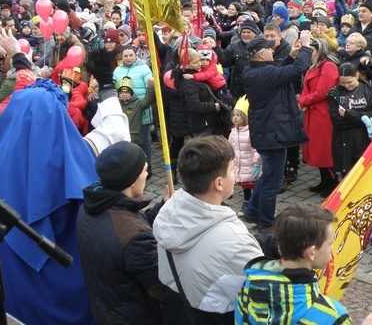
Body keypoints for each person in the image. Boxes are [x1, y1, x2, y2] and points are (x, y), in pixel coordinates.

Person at [0, 36, 100, 324]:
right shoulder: (66, 155)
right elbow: (92, 194)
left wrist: (21, 58)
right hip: (64, 273)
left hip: (17, 279)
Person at [154, 135, 263, 324]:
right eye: (231, 170)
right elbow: (263, 298)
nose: (234, 174)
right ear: (219, 183)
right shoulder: (236, 243)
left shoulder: (169, 213)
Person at [235, 202, 372, 325]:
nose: (332, 248)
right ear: (311, 252)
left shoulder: (249, 286)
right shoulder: (333, 315)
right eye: (330, 244)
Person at [77, 141, 169, 325]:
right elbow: (161, 290)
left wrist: (162, 207)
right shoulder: (135, 238)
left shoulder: (88, 209)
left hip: (107, 310)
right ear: (132, 179)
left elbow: (128, 226)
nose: (147, 175)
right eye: (144, 170)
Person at [240, 32, 312, 233]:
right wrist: (305, 47)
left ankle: (252, 210)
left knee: (268, 174)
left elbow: (278, 72)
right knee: (273, 181)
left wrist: (291, 55)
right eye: (270, 49)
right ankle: (266, 223)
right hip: (273, 134)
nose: (273, 50)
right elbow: (298, 69)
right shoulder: (263, 74)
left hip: (267, 132)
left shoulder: (253, 71)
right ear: (261, 55)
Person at [328, 63, 372, 245]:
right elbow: (336, 121)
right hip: (344, 145)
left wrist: (351, 115)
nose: (346, 86)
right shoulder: (335, 93)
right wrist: (362, 119)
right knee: (346, 184)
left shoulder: (371, 92)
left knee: (366, 189)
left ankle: (370, 228)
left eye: (350, 83)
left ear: (357, 77)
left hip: (365, 145)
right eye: (343, 83)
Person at [298, 38, 340, 198]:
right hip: (313, 112)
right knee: (316, 148)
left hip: (323, 113)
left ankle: (332, 182)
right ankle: (324, 181)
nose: (310, 54)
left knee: (324, 150)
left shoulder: (328, 66)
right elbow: (306, 88)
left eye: (312, 50)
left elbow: (323, 91)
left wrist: (303, 101)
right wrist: (304, 99)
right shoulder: (315, 66)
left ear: (320, 50)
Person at [229, 106, 261, 214]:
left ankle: (255, 204)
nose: (235, 118)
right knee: (245, 186)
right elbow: (230, 147)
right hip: (240, 165)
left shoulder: (250, 132)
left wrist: (257, 164)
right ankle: (246, 202)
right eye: (233, 115)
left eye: (238, 115)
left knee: (254, 185)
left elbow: (255, 149)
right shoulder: (233, 132)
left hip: (250, 165)